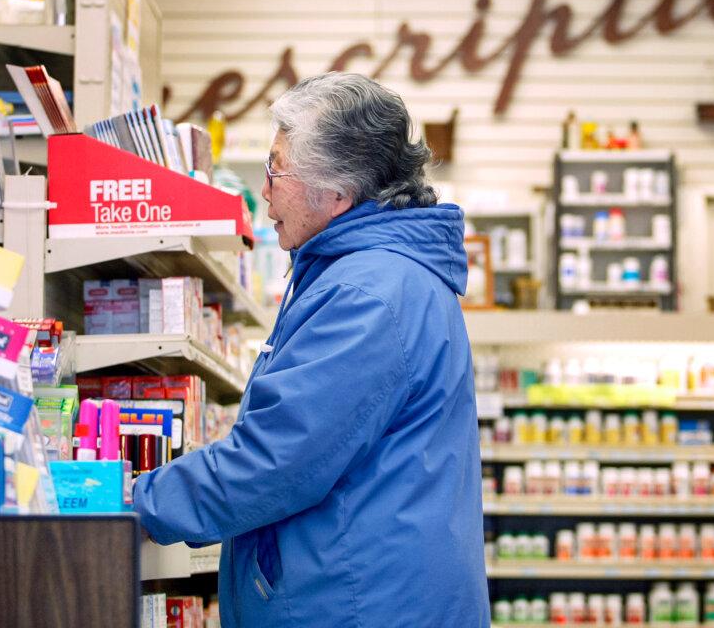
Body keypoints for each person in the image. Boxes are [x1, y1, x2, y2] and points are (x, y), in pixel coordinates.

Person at [133, 72, 490, 627]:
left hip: (361, 608)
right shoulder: (370, 277)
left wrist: (139, 501)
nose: (266, 189)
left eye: (277, 168)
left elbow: (277, 460)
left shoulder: (365, 294)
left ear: (339, 193)